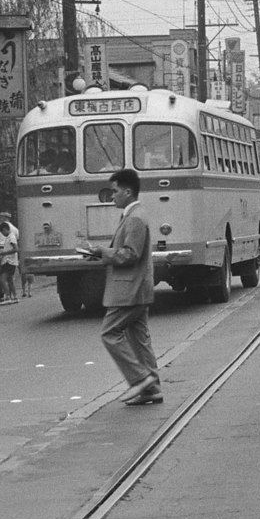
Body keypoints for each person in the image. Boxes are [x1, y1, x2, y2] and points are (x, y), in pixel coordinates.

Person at [82, 169, 162, 405]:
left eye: (115, 191)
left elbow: (130, 255)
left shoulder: (135, 218)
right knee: (139, 339)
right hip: (135, 288)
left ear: (128, 192)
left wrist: (102, 252)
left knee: (109, 333)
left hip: (129, 290)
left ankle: (141, 379)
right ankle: (153, 388)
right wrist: (100, 255)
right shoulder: (133, 215)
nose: (112, 196)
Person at [0, 212, 20, 305]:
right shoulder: (14, 232)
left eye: (2, 232)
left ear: (4, 229)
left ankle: (7, 296)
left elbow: (16, 249)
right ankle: (14, 296)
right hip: (10, 260)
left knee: (3, 279)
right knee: (10, 280)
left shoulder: (11, 237)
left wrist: (4, 253)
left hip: (9, 261)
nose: (2, 234)